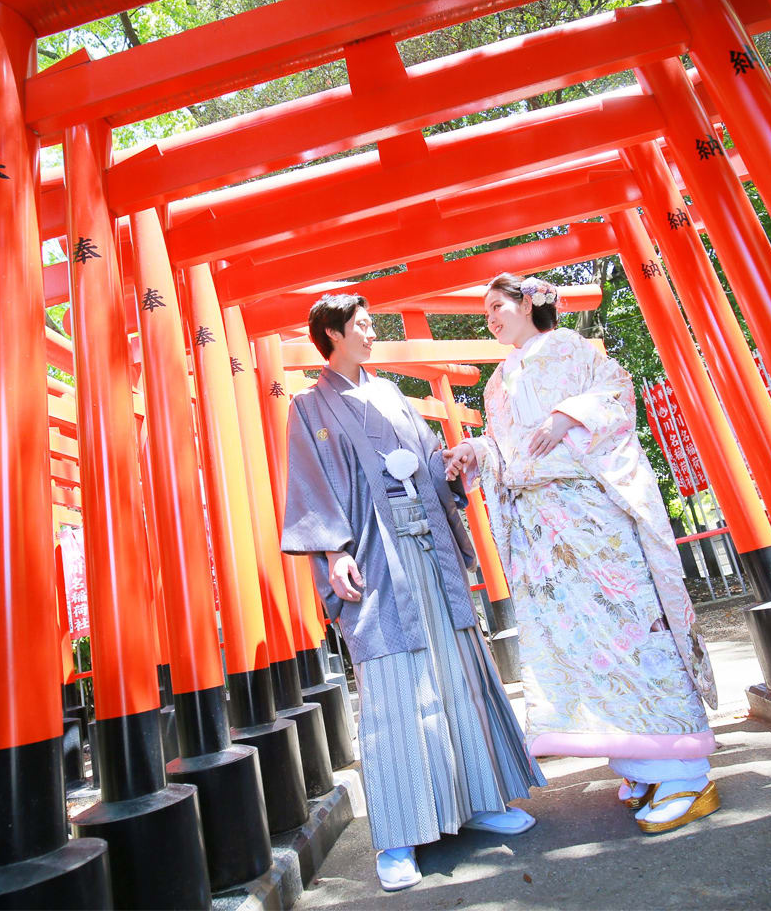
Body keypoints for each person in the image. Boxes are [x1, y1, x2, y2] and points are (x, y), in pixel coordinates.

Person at [282, 293, 545, 892]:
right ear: (333, 334)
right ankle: (401, 836)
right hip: (375, 557)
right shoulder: (309, 407)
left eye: (371, 323)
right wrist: (332, 550)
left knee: (457, 671)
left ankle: (479, 799)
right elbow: (310, 484)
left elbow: (427, 457)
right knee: (395, 687)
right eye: (362, 325)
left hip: (427, 544)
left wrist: (448, 466)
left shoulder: (394, 394)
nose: (372, 332)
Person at [444, 272, 720, 836]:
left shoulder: (573, 349)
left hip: (593, 519)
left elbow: (618, 396)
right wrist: (476, 452)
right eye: (487, 310)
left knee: (629, 628)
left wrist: (570, 414)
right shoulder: (497, 382)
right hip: (544, 531)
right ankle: (640, 762)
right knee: (582, 643)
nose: (491, 317)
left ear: (528, 304)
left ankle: (686, 772)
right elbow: (507, 446)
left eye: (498, 306)